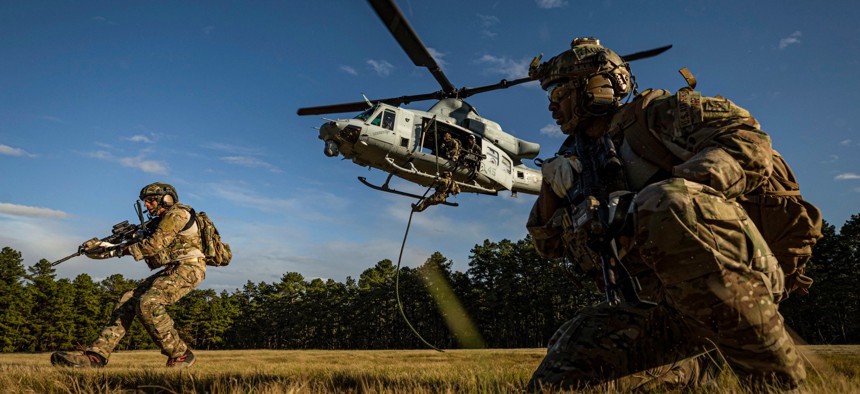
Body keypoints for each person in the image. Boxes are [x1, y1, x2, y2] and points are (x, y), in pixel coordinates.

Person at [525, 37, 806, 391]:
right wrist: (552, 188)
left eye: (558, 93)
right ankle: (698, 371)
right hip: (665, 314)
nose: (552, 107)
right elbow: (548, 246)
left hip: (735, 278)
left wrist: (651, 200)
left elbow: (747, 143)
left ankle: (777, 384)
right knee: (564, 370)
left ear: (597, 86)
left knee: (666, 202)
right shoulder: (578, 159)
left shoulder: (656, 115)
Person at [51, 182, 206, 369]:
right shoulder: (158, 222)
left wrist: (114, 251)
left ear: (167, 199)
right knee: (127, 299)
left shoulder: (177, 214)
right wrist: (101, 245)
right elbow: (135, 242)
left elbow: (152, 246)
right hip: (173, 269)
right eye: (145, 202)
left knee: (149, 303)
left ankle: (180, 355)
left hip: (190, 268)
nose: (147, 205)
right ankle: (96, 356)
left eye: (150, 201)